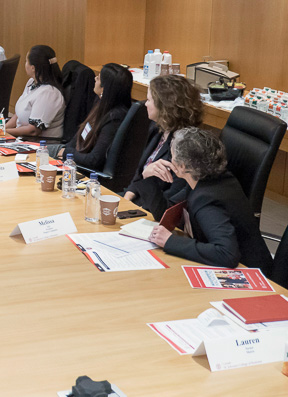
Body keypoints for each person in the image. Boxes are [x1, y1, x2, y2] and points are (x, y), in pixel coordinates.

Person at [148, 128, 273, 274]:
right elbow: (167, 210)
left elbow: (226, 254)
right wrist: (147, 176)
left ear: (182, 167)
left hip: (254, 276)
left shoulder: (207, 200)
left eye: (173, 155)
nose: (170, 159)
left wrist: (170, 241)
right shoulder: (212, 178)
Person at [123, 74, 203, 220]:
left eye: (149, 100)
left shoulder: (185, 147)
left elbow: (169, 206)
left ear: (165, 106)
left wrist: (146, 178)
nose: (145, 104)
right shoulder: (159, 129)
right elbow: (141, 171)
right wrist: (126, 200)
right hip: (137, 204)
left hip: (154, 214)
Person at [50, 63, 132, 172]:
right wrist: (66, 149)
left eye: (98, 78)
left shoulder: (114, 119)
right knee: (33, 150)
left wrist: (67, 153)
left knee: (38, 155)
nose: (95, 79)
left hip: (82, 167)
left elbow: (94, 160)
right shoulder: (100, 103)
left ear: (104, 88)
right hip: (75, 154)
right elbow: (82, 133)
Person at [6, 45, 65, 139]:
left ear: (33, 68)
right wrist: (2, 129)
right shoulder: (31, 82)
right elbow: (19, 114)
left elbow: (34, 130)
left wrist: (6, 132)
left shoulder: (49, 93)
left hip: (39, 144)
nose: (25, 64)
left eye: (26, 61)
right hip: (21, 138)